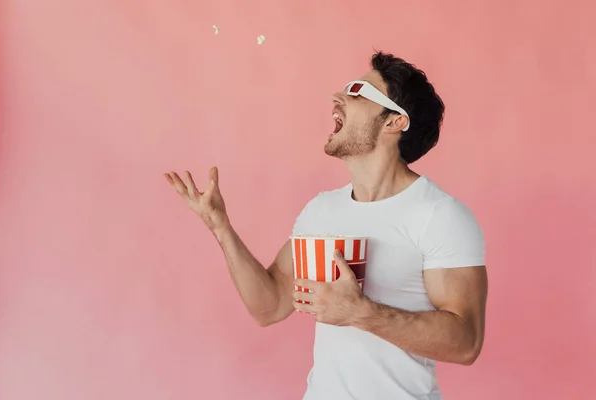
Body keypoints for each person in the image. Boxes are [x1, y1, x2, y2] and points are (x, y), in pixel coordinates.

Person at [164, 51, 487, 400]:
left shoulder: (440, 216)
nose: (337, 96)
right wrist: (221, 229)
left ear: (395, 121)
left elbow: (466, 341)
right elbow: (270, 306)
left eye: (358, 91)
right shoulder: (322, 210)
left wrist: (362, 312)